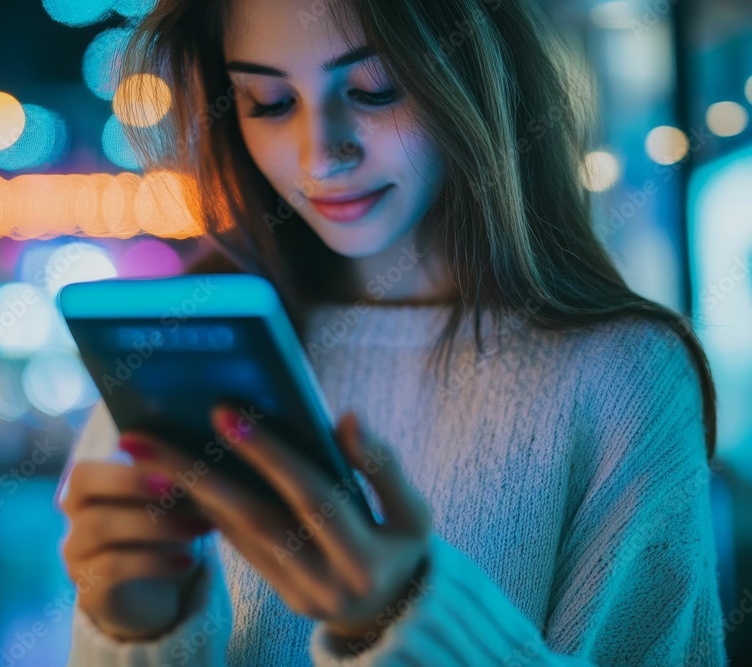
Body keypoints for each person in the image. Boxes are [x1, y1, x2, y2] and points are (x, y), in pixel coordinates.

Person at [58, 0, 727, 664]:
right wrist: (137, 634)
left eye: (375, 89)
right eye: (267, 102)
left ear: (476, 73)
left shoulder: (624, 375)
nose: (322, 156)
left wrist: (407, 623)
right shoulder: (182, 349)